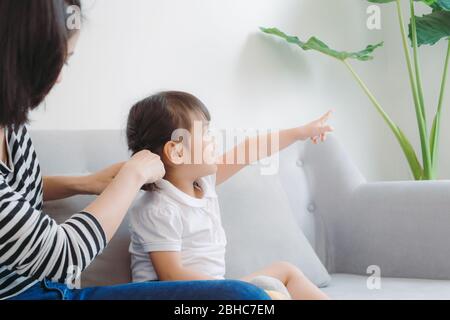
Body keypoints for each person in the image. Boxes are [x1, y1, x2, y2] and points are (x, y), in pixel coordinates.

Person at [0, 0, 270, 300]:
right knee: (245, 297)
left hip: (54, 291)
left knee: (259, 290)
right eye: (59, 61)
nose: (59, 76)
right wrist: (130, 177)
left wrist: (84, 183)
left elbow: (14, 198)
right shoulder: (158, 210)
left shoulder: (11, 127)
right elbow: (62, 257)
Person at [127, 91, 333, 300]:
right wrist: (230, 288)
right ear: (177, 152)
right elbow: (171, 276)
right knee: (264, 293)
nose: (214, 139)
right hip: (177, 297)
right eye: (205, 132)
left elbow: (251, 149)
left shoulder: (204, 184)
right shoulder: (158, 208)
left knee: (284, 271)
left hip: (215, 291)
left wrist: (301, 132)